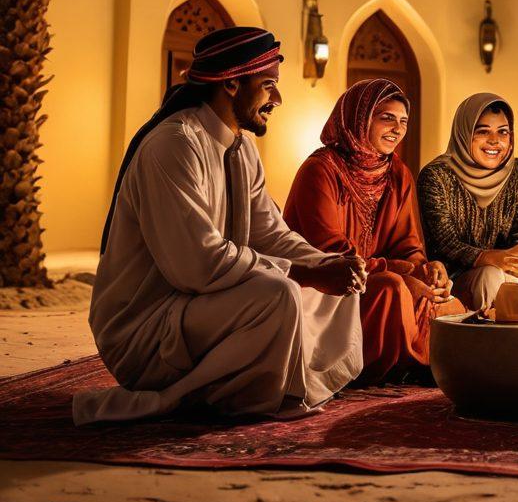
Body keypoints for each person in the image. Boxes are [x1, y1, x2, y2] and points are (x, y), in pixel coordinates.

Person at [76, 28, 365, 425]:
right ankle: (209, 396)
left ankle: (261, 387)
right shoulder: (174, 145)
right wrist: (305, 273)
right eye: (268, 86)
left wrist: (327, 265)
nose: (277, 99)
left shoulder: (242, 149)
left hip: (197, 309)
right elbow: (197, 265)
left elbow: (270, 234)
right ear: (231, 83)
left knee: (334, 284)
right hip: (145, 328)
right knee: (278, 294)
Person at [283, 79, 462, 384]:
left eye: (403, 121)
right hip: (329, 287)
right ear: (359, 118)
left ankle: (425, 366)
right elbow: (329, 252)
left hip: (382, 276)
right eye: (387, 118)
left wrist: (426, 270)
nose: (397, 129)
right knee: (391, 290)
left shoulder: (397, 173)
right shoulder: (320, 170)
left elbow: (408, 245)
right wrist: (400, 272)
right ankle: (387, 370)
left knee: (444, 302)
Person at [418, 93, 518, 310]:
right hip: (451, 281)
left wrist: (502, 262)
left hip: (510, 273)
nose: (494, 140)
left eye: (502, 132)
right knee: (490, 276)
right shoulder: (436, 176)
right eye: (483, 131)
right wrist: (491, 259)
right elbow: (445, 245)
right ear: (464, 133)